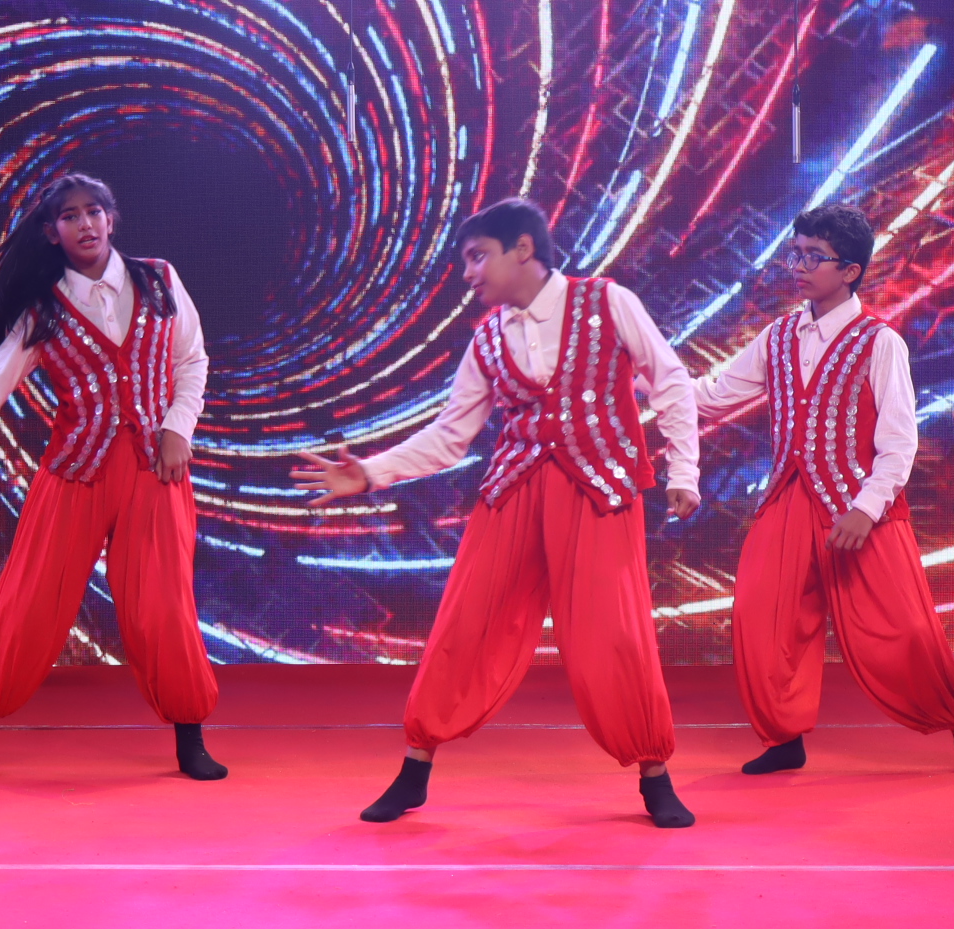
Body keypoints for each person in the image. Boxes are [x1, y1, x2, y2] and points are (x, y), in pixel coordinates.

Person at [295, 198, 700, 828]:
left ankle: (654, 774)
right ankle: (414, 769)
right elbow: (450, 435)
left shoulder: (607, 301)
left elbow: (669, 379)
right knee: (467, 621)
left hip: (597, 489)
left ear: (523, 249)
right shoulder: (487, 337)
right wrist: (370, 472)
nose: (468, 274)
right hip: (514, 491)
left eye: (478, 257)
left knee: (614, 633)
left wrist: (684, 471)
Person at [0, 172, 225, 782]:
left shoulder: (159, 279)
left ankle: (190, 738)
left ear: (111, 218)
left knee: (164, 607)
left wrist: (178, 429)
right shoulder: (41, 308)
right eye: (70, 216)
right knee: (29, 600)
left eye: (94, 210)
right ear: (52, 232)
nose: (85, 223)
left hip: (154, 469)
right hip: (75, 472)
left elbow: (191, 359)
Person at [697, 203, 954, 782]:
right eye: (796, 254)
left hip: (861, 505)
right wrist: (651, 380)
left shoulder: (880, 341)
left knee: (904, 630)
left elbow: (900, 439)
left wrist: (867, 507)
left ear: (850, 271)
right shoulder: (779, 335)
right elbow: (714, 396)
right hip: (789, 497)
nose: (799, 266)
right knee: (761, 616)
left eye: (814, 257)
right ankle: (784, 737)